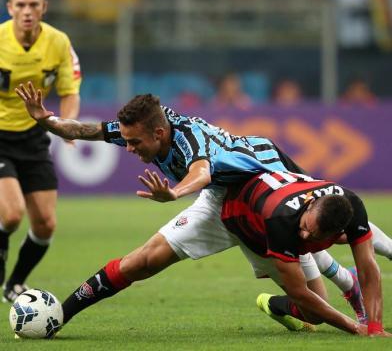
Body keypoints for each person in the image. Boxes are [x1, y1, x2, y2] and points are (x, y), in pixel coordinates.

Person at [16, 83, 391, 329]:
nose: (129, 149)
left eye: (134, 143)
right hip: (224, 201)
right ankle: (61, 314)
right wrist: (46, 119)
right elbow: (84, 130)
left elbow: (200, 171)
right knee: (143, 262)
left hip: (269, 183)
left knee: (329, 226)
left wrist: (175, 194)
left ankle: (355, 270)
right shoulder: (144, 129)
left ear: (158, 134)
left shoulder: (188, 142)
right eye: (126, 141)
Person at [220, 170, 390, 336]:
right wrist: (355, 327)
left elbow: (367, 269)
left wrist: (375, 328)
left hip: (282, 206)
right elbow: (299, 293)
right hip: (242, 222)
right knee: (313, 310)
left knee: (315, 313)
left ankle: (343, 280)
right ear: (310, 205)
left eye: (315, 235)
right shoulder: (280, 221)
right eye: (307, 227)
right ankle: (347, 278)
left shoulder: (351, 206)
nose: (304, 234)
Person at [0, 0, 81, 302]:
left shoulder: (59, 42)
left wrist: (65, 126)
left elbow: (69, 90)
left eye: (34, 4)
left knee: (46, 224)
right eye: (21, 5)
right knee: (11, 214)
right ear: (10, 8)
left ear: (44, 7)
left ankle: (14, 284)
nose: (28, 11)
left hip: (34, 137)